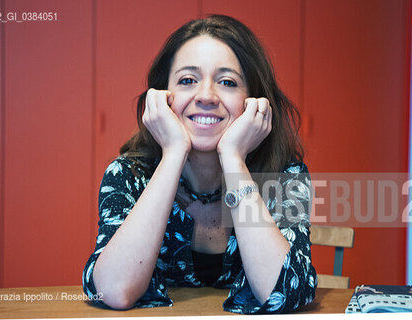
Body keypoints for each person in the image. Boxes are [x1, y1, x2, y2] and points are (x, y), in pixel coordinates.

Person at [82, 14, 317, 314]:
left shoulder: (287, 177)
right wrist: (173, 152)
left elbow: (282, 292)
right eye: (187, 80)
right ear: (162, 98)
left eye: (227, 82)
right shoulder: (128, 176)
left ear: (254, 101)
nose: (206, 96)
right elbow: (112, 290)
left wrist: (233, 158)